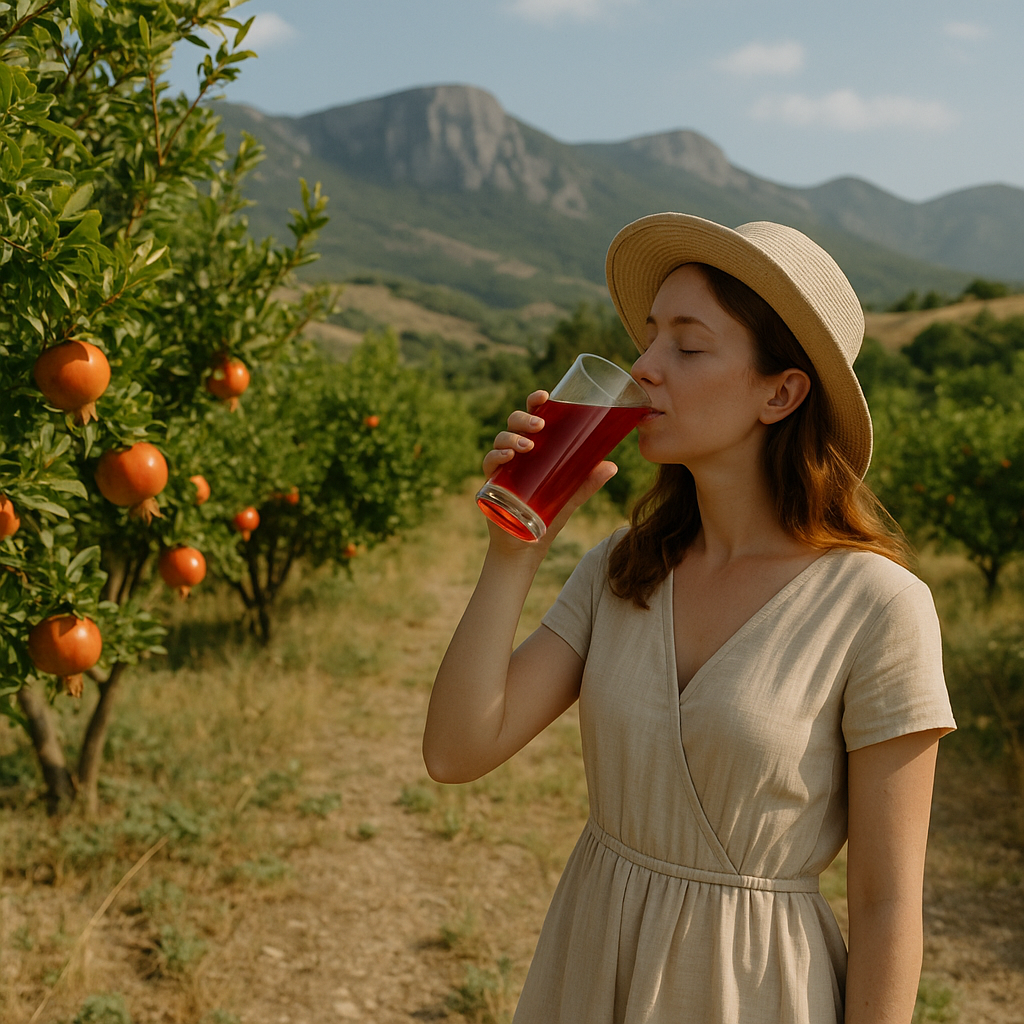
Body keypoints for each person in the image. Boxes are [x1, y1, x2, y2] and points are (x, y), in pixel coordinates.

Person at [422, 212, 956, 1024]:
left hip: (752, 991)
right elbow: (457, 751)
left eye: (687, 345)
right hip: (590, 966)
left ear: (781, 392)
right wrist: (515, 547)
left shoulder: (878, 608)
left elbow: (887, 906)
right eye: (648, 339)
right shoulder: (622, 568)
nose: (644, 368)